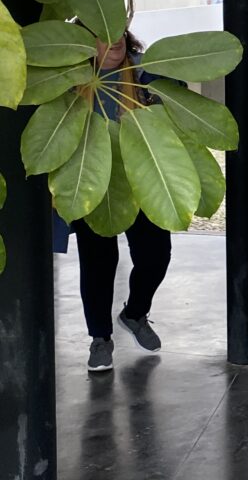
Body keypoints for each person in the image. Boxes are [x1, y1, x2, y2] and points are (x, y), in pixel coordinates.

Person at [74, 29, 171, 373]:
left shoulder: (146, 72)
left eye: (117, 31)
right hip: (92, 179)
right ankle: (100, 338)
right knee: (98, 263)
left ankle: (134, 313)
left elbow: (174, 108)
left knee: (156, 255)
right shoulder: (72, 78)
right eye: (102, 34)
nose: (113, 39)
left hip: (140, 176)